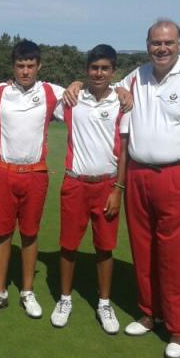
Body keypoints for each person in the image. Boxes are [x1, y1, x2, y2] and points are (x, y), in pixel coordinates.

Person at [66, 19, 180, 358]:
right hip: (138, 175)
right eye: (156, 42)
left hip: (179, 176)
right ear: (147, 45)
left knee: (174, 253)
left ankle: (179, 329)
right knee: (142, 248)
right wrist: (77, 80)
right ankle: (149, 313)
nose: (162, 48)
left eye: (168, 42)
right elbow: (103, 83)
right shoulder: (135, 77)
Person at [0, 39, 66, 319]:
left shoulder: (50, 92)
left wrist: (80, 84)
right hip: (3, 172)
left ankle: (27, 291)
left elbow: (84, 96)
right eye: (20, 66)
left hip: (36, 173)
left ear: (39, 66)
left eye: (30, 66)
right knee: (2, 233)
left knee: (30, 234)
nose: (25, 71)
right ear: (13, 66)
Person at [50, 44, 128, 334]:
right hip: (75, 182)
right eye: (94, 68)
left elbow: (125, 149)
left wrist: (119, 188)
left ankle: (104, 302)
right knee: (68, 245)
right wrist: (74, 84)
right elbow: (38, 92)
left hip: (107, 183)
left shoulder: (121, 102)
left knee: (105, 247)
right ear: (86, 70)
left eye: (104, 68)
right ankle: (65, 299)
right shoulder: (72, 99)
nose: (99, 73)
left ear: (113, 71)